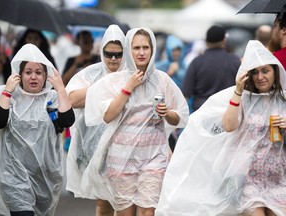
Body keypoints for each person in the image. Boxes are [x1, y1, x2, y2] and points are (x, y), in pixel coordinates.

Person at [155, 40, 286, 216]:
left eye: (265, 71)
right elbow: (229, 126)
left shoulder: (283, 100)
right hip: (247, 178)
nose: (260, 77)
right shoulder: (244, 98)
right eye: (255, 72)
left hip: (277, 177)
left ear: (275, 71)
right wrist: (238, 91)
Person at [81, 28, 189, 216]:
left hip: (153, 156)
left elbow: (180, 115)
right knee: (126, 213)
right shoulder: (116, 81)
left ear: (153, 49)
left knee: (148, 211)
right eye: (136, 47)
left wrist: (167, 113)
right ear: (128, 50)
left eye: (145, 47)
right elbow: (108, 116)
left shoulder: (161, 79)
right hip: (121, 158)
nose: (141, 52)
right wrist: (128, 87)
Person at [0, 43, 75, 216]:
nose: (33, 77)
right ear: (19, 75)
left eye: (38, 72)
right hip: (14, 176)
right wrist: (8, 91)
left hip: (45, 177)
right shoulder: (8, 95)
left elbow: (67, 120)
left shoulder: (53, 98)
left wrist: (60, 88)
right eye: (28, 72)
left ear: (46, 76)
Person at [65, 24, 126, 216]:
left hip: (127, 148)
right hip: (97, 149)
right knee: (103, 203)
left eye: (118, 54)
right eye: (109, 54)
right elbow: (71, 99)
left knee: (125, 204)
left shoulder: (133, 74)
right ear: (102, 52)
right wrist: (104, 88)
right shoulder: (91, 74)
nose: (113, 59)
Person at [182, 25, 241, 113]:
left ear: (206, 41)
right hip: (226, 111)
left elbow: (185, 93)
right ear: (224, 40)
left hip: (201, 112)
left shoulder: (197, 62)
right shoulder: (235, 61)